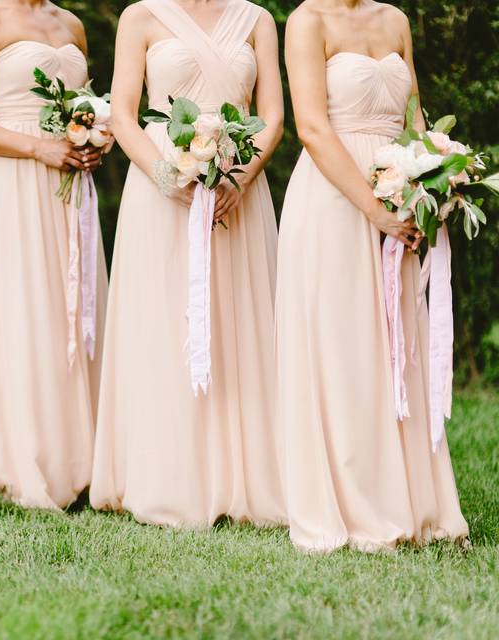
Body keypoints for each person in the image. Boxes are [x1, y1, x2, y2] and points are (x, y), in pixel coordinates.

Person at [276, 0, 468, 552]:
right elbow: (311, 127)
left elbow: (415, 120)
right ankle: (357, 500)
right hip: (335, 199)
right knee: (346, 348)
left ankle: (413, 499)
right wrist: (374, 208)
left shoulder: (397, 20)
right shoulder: (308, 21)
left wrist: (428, 187)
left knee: (398, 346)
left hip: (398, 189)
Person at [90, 0, 287, 529]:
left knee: (239, 324)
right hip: (161, 188)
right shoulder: (141, 16)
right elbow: (124, 115)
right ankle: (166, 475)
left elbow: (272, 119)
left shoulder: (258, 19)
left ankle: (245, 478)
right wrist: (164, 175)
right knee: (162, 320)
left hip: (237, 185)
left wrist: (240, 178)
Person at [0, 0, 108, 509]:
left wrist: (92, 139)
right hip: (11, 180)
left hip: (70, 185)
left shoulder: (71, 25)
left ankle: (85, 462)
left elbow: (83, 107)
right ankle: (25, 460)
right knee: (24, 311)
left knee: (74, 311)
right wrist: (38, 148)